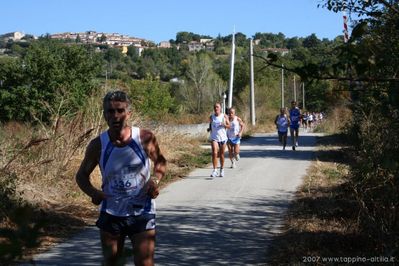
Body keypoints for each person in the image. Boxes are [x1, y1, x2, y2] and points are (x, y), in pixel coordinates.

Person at [76, 90, 166, 266]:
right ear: (104, 115)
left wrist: (154, 180)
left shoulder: (145, 138)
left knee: (145, 263)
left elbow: (160, 162)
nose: (115, 116)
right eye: (110, 111)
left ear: (128, 114)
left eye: (120, 111)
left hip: (142, 211)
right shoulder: (97, 145)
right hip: (111, 213)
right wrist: (93, 192)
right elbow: (81, 175)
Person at [207, 102, 230, 177]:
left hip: (223, 138)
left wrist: (224, 124)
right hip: (214, 138)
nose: (216, 108)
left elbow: (229, 126)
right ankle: (215, 170)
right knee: (214, 152)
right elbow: (211, 124)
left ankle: (222, 169)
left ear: (220, 108)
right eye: (215, 107)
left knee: (222, 155)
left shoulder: (224, 116)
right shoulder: (211, 117)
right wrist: (209, 128)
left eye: (217, 107)